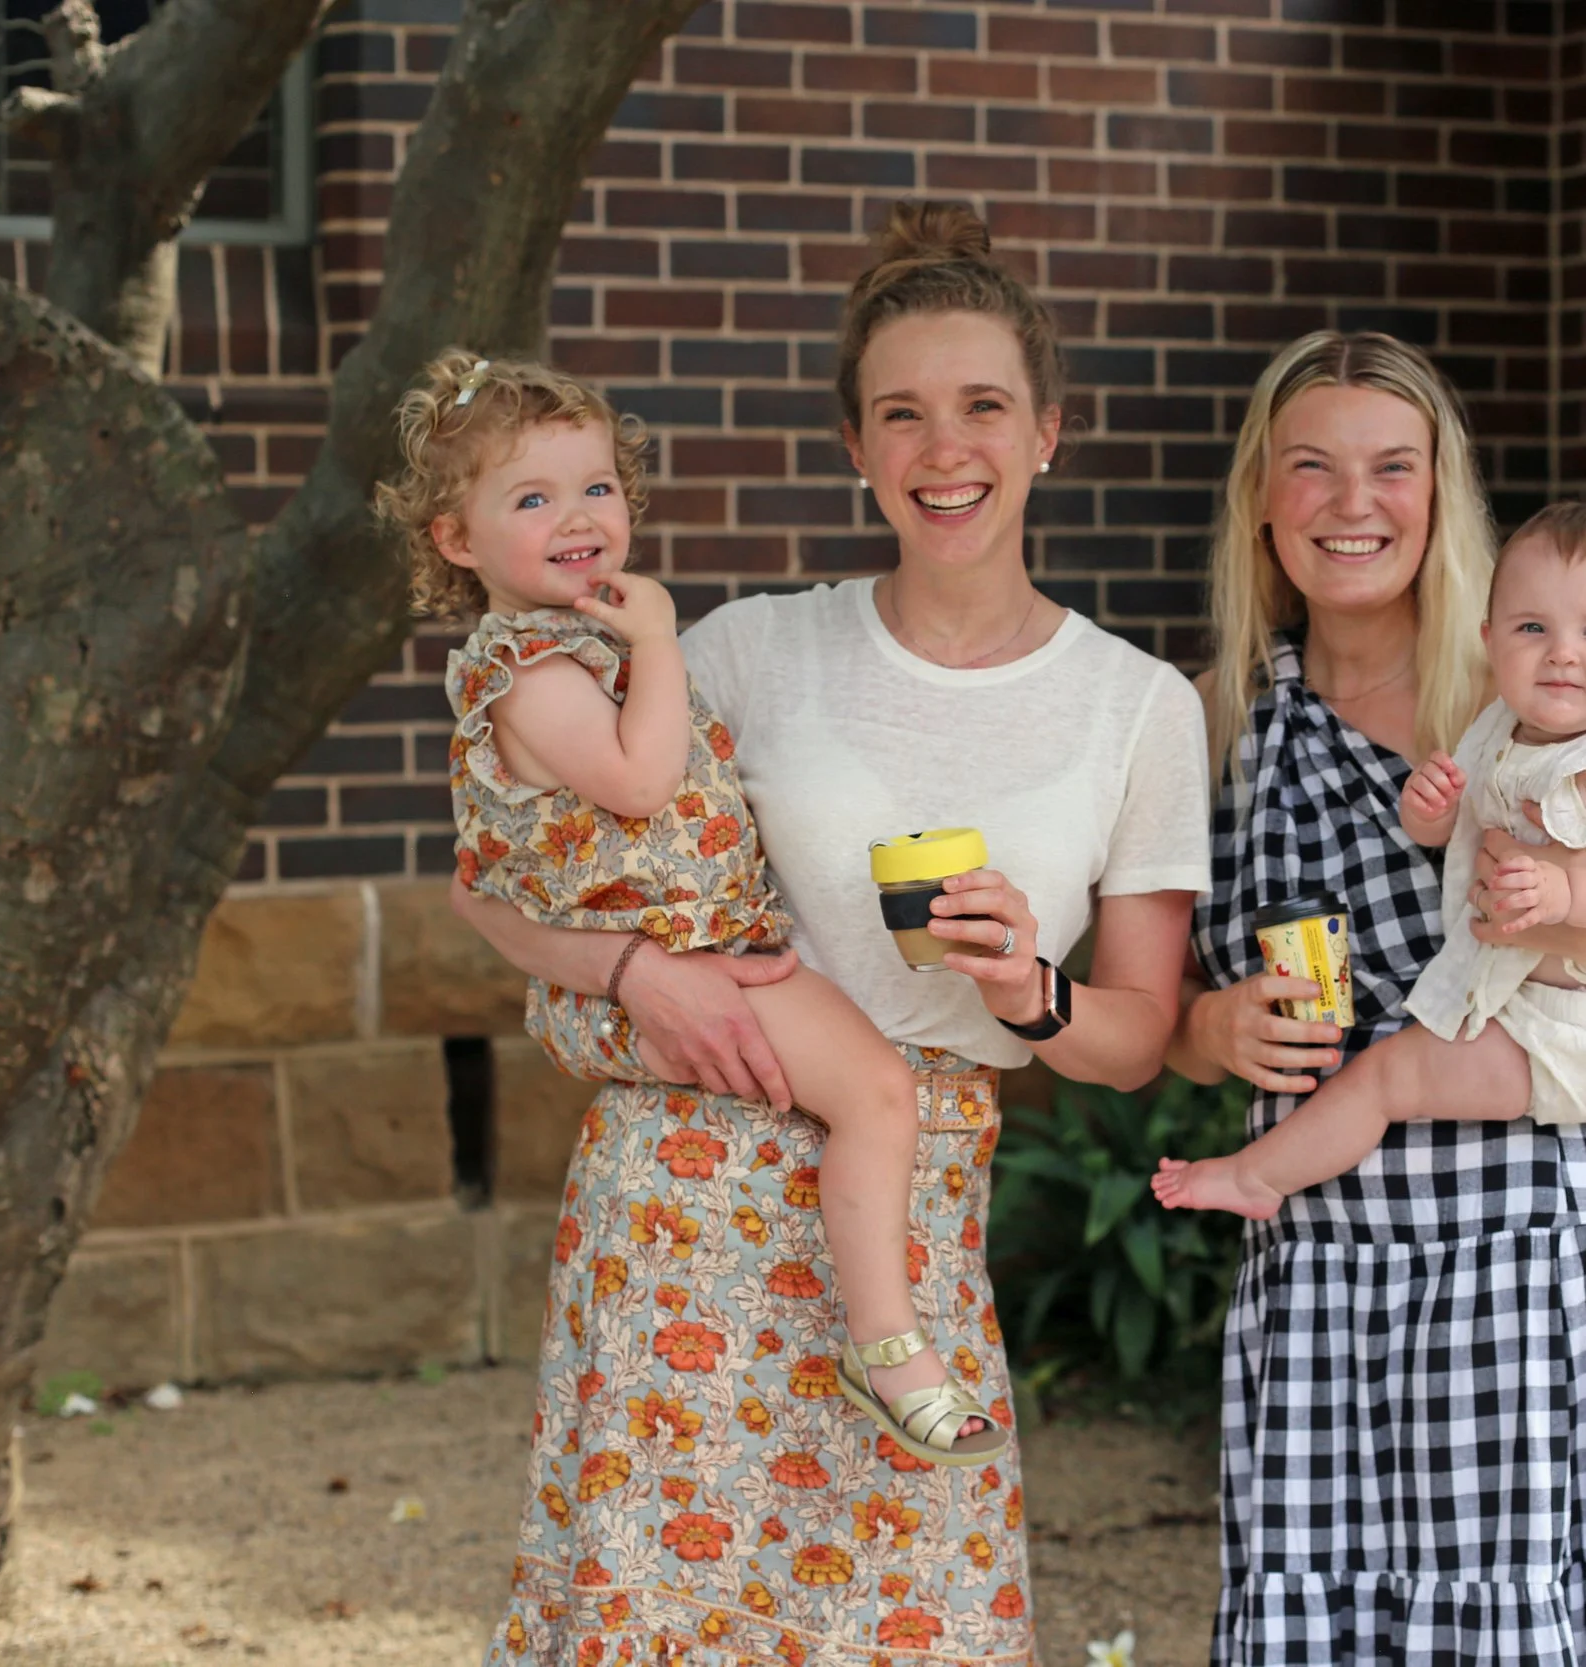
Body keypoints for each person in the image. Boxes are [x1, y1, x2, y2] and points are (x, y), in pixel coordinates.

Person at [455, 203, 1209, 1667]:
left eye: (983, 405)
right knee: (666, 1627)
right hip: (683, 1189)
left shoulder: (1137, 707)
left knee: (926, 1620)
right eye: (902, 413)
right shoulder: (746, 648)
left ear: (1049, 431)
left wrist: (1029, 985)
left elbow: (1134, 1041)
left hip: (910, 1215)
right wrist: (635, 969)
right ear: (855, 445)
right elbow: (491, 887)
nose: (945, 448)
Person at [1168, 328, 1586, 1662]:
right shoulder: (1204, 725)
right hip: (1334, 1284)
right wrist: (1209, 1027)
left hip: (1560, 1267)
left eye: (1394, 465)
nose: (1353, 502)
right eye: (1311, 465)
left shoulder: (1530, 699)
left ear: (1441, 492)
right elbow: (1153, 1013)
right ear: (1260, 495)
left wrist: (1554, 906)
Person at [383, 348, 1003, 1470]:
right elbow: (639, 781)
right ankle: (889, 1344)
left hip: (702, 948)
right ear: (456, 540)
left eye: (595, 485)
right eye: (532, 499)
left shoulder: (576, 647)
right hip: (683, 956)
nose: (578, 515)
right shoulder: (531, 670)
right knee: (876, 1092)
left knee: (862, 1096)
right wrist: (661, 638)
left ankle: (872, 1333)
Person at [1153, 500, 1586, 1220]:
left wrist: (1568, 898)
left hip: (1575, 1027)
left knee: (1390, 1076)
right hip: (1564, 1015)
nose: (1562, 652)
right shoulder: (1502, 733)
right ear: (1491, 639)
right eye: (1532, 628)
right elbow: (1455, 841)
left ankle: (1256, 1178)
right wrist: (1432, 813)